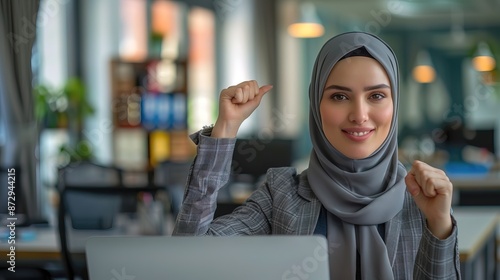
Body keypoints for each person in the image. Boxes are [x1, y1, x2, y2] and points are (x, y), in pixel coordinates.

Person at [173, 31, 460, 279]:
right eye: (339, 96)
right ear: (315, 105)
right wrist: (226, 127)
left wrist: (439, 225)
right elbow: (187, 257)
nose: (359, 115)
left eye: (376, 96)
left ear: (395, 105)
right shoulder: (281, 195)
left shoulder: (421, 196)